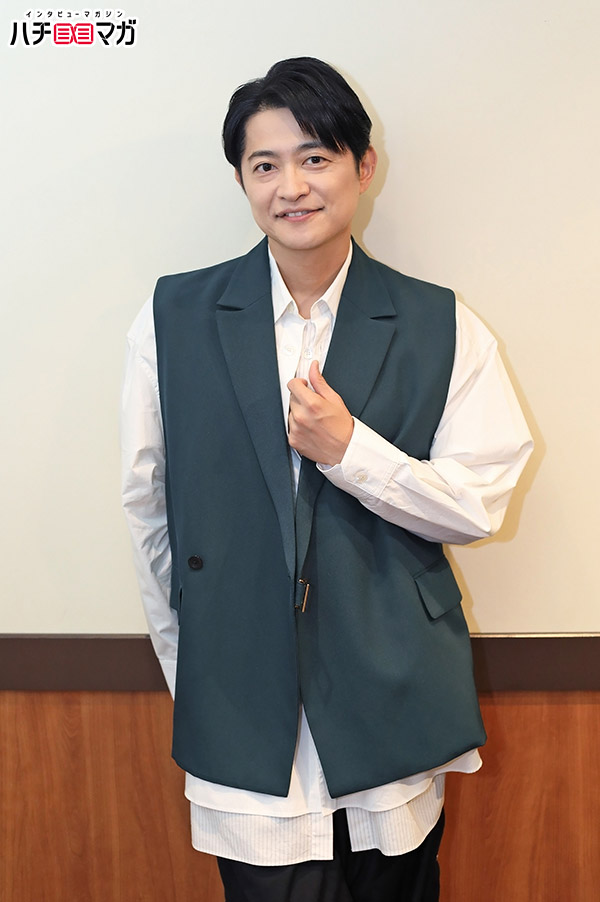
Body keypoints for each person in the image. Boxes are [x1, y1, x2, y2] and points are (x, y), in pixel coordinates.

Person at [121, 57, 533, 902]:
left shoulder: (441, 321)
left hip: (394, 701)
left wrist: (351, 453)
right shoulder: (171, 320)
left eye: (315, 157)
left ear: (362, 166)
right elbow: (149, 510)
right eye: (264, 165)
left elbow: (478, 504)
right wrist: (193, 668)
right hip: (239, 707)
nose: (291, 186)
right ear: (241, 179)